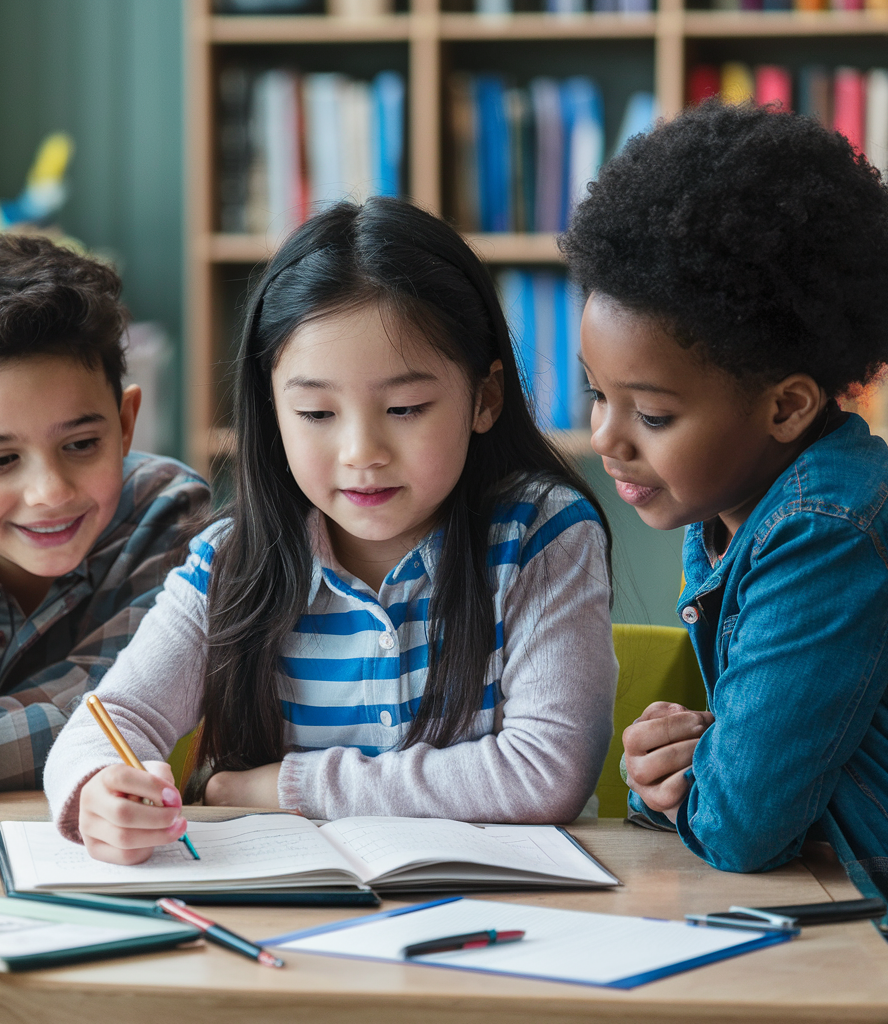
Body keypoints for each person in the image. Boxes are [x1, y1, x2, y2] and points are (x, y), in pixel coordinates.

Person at [44, 197, 618, 863]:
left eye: (406, 408)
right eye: (316, 413)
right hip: (293, 924)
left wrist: (289, 786)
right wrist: (97, 790)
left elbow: (545, 774)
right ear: (273, 410)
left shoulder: (541, 536)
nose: (361, 451)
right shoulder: (232, 559)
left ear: (484, 398)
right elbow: (114, 720)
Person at [562, 101, 888, 906]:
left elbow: (743, 826)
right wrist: (674, 771)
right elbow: (755, 770)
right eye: (595, 393)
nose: (606, 437)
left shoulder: (822, 530)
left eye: (654, 414)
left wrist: (687, 779)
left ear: (786, 407)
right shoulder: (733, 509)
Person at [0, 234, 210, 804]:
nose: (49, 493)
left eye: (80, 444)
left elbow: (100, 714)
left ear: (125, 424)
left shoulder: (168, 516)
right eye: (0, 460)